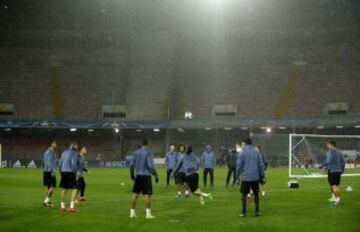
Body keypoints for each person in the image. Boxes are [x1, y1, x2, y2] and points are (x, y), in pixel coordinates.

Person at [129, 138, 159, 219]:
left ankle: (132, 213)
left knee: (135, 195)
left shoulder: (136, 152)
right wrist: (156, 175)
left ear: (141, 143)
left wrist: (132, 174)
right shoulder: (149, 152)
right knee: (147, 195)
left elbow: (131, 165)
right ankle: (148, 214)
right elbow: (151, 166)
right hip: (146, 176)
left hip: (138, 175)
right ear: (147, 143)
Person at [236, 138, 265, 217]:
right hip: (255, 177)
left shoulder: (242, 152)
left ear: (245, 144)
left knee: (244, 195)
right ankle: (257, 211)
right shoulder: (256, 152)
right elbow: (261, 165)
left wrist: (237, 176)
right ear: (251, 144)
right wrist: (262, 176)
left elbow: (238, 166)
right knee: (256, 194)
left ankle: (243, 212)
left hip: (245, 178)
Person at [319, 139, 345, 206]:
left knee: (333, 186)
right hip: (337, 171)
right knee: (335, 185)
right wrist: (342, 170)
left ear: (332, 145)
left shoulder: (332, 152)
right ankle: (333, 197)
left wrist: (321, 165)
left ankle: (337, 199)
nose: (327, 146)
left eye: (328, 145)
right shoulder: (339, 152)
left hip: (333, 171)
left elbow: (329, 161)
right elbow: (343, 162)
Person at [59, 141, 79, 213]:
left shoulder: (64, 152)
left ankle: (62, 207)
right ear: (73, 146)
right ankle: (72, 207)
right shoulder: (74, 153)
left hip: (63, 172)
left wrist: (61, 172)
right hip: (70, 172)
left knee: (64, 189)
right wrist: (76, 174)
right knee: (75, 188)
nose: (77, 147)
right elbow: (73, 164)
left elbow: (60, 164)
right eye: (76, 146)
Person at [42, 140, 57, 207]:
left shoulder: (46, 152)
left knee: (48, 188)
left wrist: (45, 168)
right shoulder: (51, 152)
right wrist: (52, 171)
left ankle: (48, 201)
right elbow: (49, 162)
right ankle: (45, 201)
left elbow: (43, 161)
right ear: (51, 144)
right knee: (53, 186)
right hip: (50, 171)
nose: (56, 144)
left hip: (45, 171)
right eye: (55, 143)